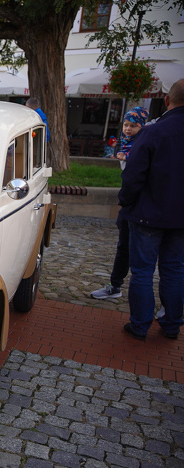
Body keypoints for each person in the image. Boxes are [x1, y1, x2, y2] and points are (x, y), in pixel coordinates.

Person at [118, 79, 184, 341]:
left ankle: (141, 324)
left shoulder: (154, 132)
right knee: (174, 269)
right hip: (178, 217)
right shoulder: (153, 132)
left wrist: (126, 202)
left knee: (143, 271)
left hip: (149, 212)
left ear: (167, 100)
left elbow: (133, 175)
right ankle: (171, 323)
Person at [90, 106, 150, 301]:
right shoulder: (125, 145)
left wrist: (129, 159)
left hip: (141, 205)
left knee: (142, 253)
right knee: (123, 247)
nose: (128, 129)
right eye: (126, 125)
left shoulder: (143, 145)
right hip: (128, 204)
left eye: (133, 126)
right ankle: (115, 285)